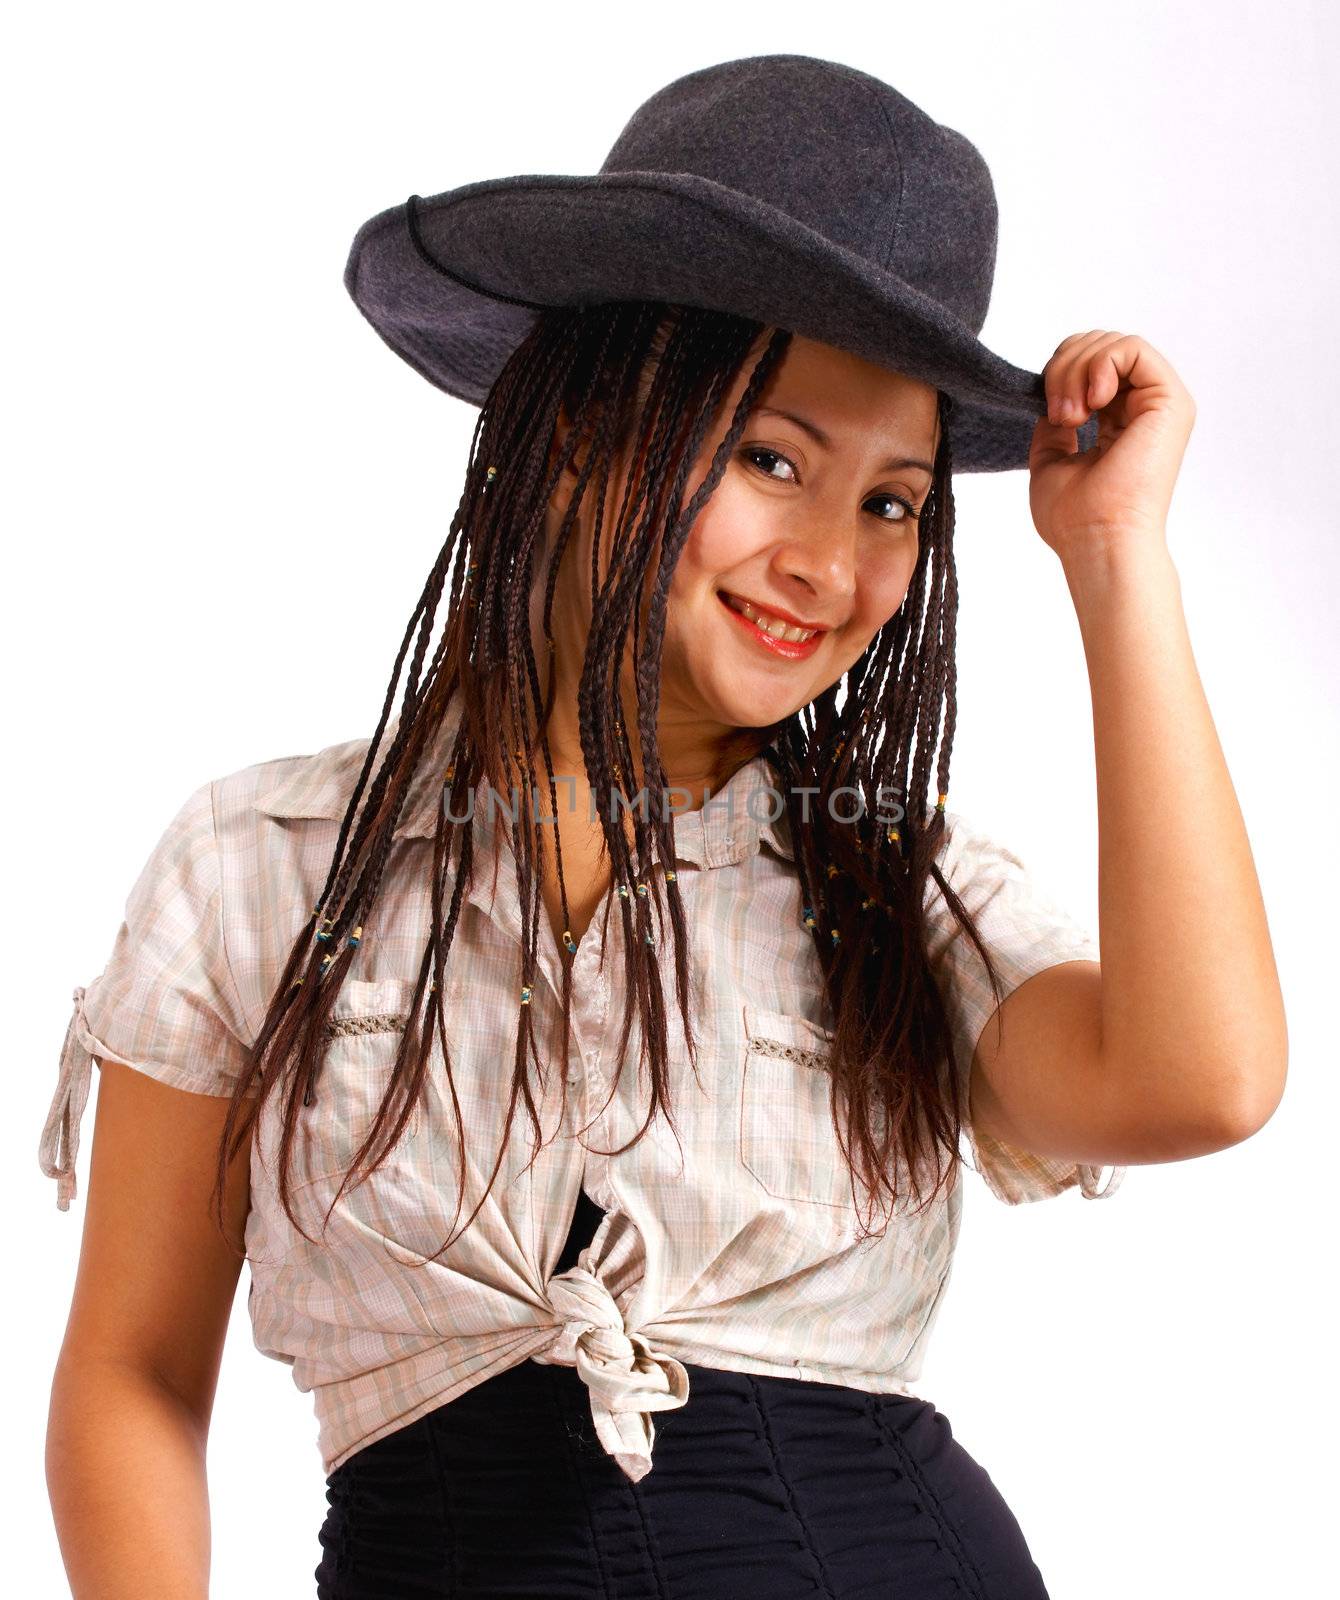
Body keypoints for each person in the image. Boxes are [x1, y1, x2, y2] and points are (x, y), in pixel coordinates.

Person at [39, 52, 1286, 1600]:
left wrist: (1114, 556)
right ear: (583, 428)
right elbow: (136, 1378)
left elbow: (1201, 1084)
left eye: (891, 502)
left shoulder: (888, 887)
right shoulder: (262, 866)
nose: (828, 564)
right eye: (772, 459)